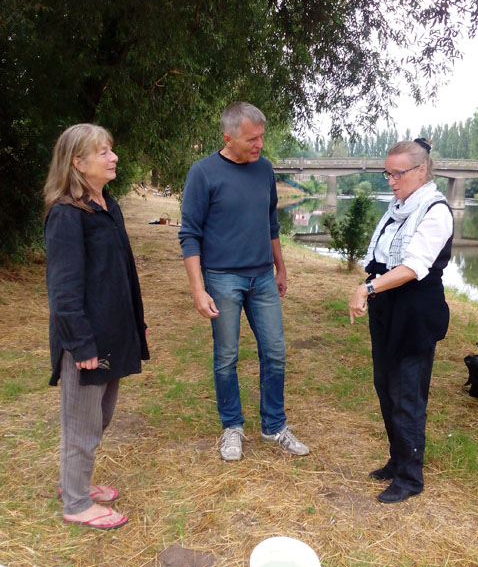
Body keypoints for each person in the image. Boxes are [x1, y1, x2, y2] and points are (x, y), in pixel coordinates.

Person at [179, 102, 309, 461]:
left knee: (275, 352)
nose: (259, 145)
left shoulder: (264, 169)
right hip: (222, 279)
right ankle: (232, 427)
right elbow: (189, 235)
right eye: (252, 139)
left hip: (263, 278)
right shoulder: (203, 173)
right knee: (226, 356)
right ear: (228, 138)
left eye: (261, 137)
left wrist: (280, 268)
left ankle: (274, 425)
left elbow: (271, 224)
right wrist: (198, 289)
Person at [44, 123, 149, 529]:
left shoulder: (107, 206)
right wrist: (81, 345)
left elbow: (124, 273)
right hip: (86, 342)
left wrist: (137, 323)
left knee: (100, 416)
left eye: (111, 149)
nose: (113, 157)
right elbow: (64, 291)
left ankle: (76, 483)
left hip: (113, 333)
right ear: (77, 162)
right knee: (81, 423)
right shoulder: (67, 215)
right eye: (103, 152)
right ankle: (75, 503)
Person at [348, 138, 453, 503]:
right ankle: (397, 461)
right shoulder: (398, 208)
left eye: (397, 174)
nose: (391, 181)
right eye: (387, 174)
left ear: (421, 170)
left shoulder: (435, 211)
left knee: (408, 395)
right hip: (388, 308)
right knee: (386, 387)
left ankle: (410, 478)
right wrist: (372, 288)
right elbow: (382, 258)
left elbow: (412, 267)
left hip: (415, 313)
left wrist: (367, 288)